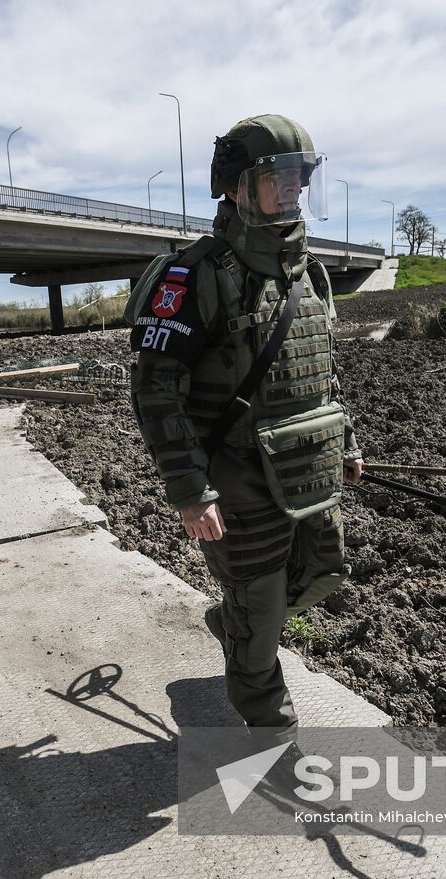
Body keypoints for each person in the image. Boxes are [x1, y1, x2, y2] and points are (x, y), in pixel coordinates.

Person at [125, 114, 364, 751]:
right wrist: (188, 487)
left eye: (298, 176)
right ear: (236, 186)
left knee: (325, 570)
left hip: (305, 466)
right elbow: (156, 387)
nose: (291, 189)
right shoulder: (194, 276)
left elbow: (322, 372)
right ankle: (271, 732)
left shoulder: (308, 273)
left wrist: (347, 446)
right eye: (276, 176)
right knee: (261, 611)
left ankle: (236, 621)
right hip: (234, 475)